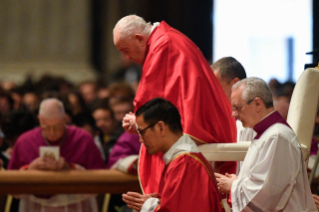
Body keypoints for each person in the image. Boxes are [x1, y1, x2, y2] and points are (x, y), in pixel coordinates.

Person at [113, 14, 236, 195]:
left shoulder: (163, 45)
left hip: (197, 136)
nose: (126, 57)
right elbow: (171, 97)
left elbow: (155, 103)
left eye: (125, 50)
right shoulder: (166, 39)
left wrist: (139, 122)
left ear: (139, 39)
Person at [215, 77, 316, 211]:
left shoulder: (277, 137)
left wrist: (233, 184)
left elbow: (268, 194)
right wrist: (237, 181)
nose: (234, 114)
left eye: (237, 108)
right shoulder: (267, 134)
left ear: (257, 103)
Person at [122, 98, 223, 212]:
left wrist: (149, 206)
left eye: (142, 132)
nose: (141, 140)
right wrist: (159, 201)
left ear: (161, 127)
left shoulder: (185, 163)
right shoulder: (180, 159)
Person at [8, 98, 106, 212]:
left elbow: (100, 182)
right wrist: (30, 169)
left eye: (57, 126)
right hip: (36, 206)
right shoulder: (25, 141)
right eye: (47, 127)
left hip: (76, 205)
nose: (52, 132)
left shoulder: (83, 139)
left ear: (65, 119)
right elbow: (11, 186)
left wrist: (69, 168)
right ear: (39, 120)